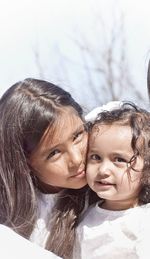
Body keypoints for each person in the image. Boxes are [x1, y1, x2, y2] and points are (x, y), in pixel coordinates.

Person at [0, 78, 89, 259]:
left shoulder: (114, 191)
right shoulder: (10, 222)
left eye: (78, 136)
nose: (76, 159)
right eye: (54, 153)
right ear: (24, 163)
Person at [73, 103, 150, 259]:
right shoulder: (83, 214)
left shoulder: (144, 221)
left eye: (119, 159)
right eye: (96, 157)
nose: (103, 170)